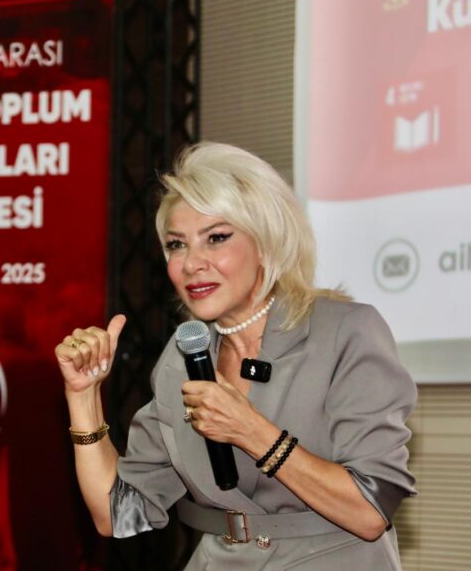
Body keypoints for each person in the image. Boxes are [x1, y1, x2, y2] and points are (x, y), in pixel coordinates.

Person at [55, 142, 417, 569]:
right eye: (176, 245)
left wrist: (251, 432)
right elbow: (118, 513)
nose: (192, 263)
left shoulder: (345, 332)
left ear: (265, 242)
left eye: (216, 238)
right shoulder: (180, 356)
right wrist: (83, 396)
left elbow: (370, 512)